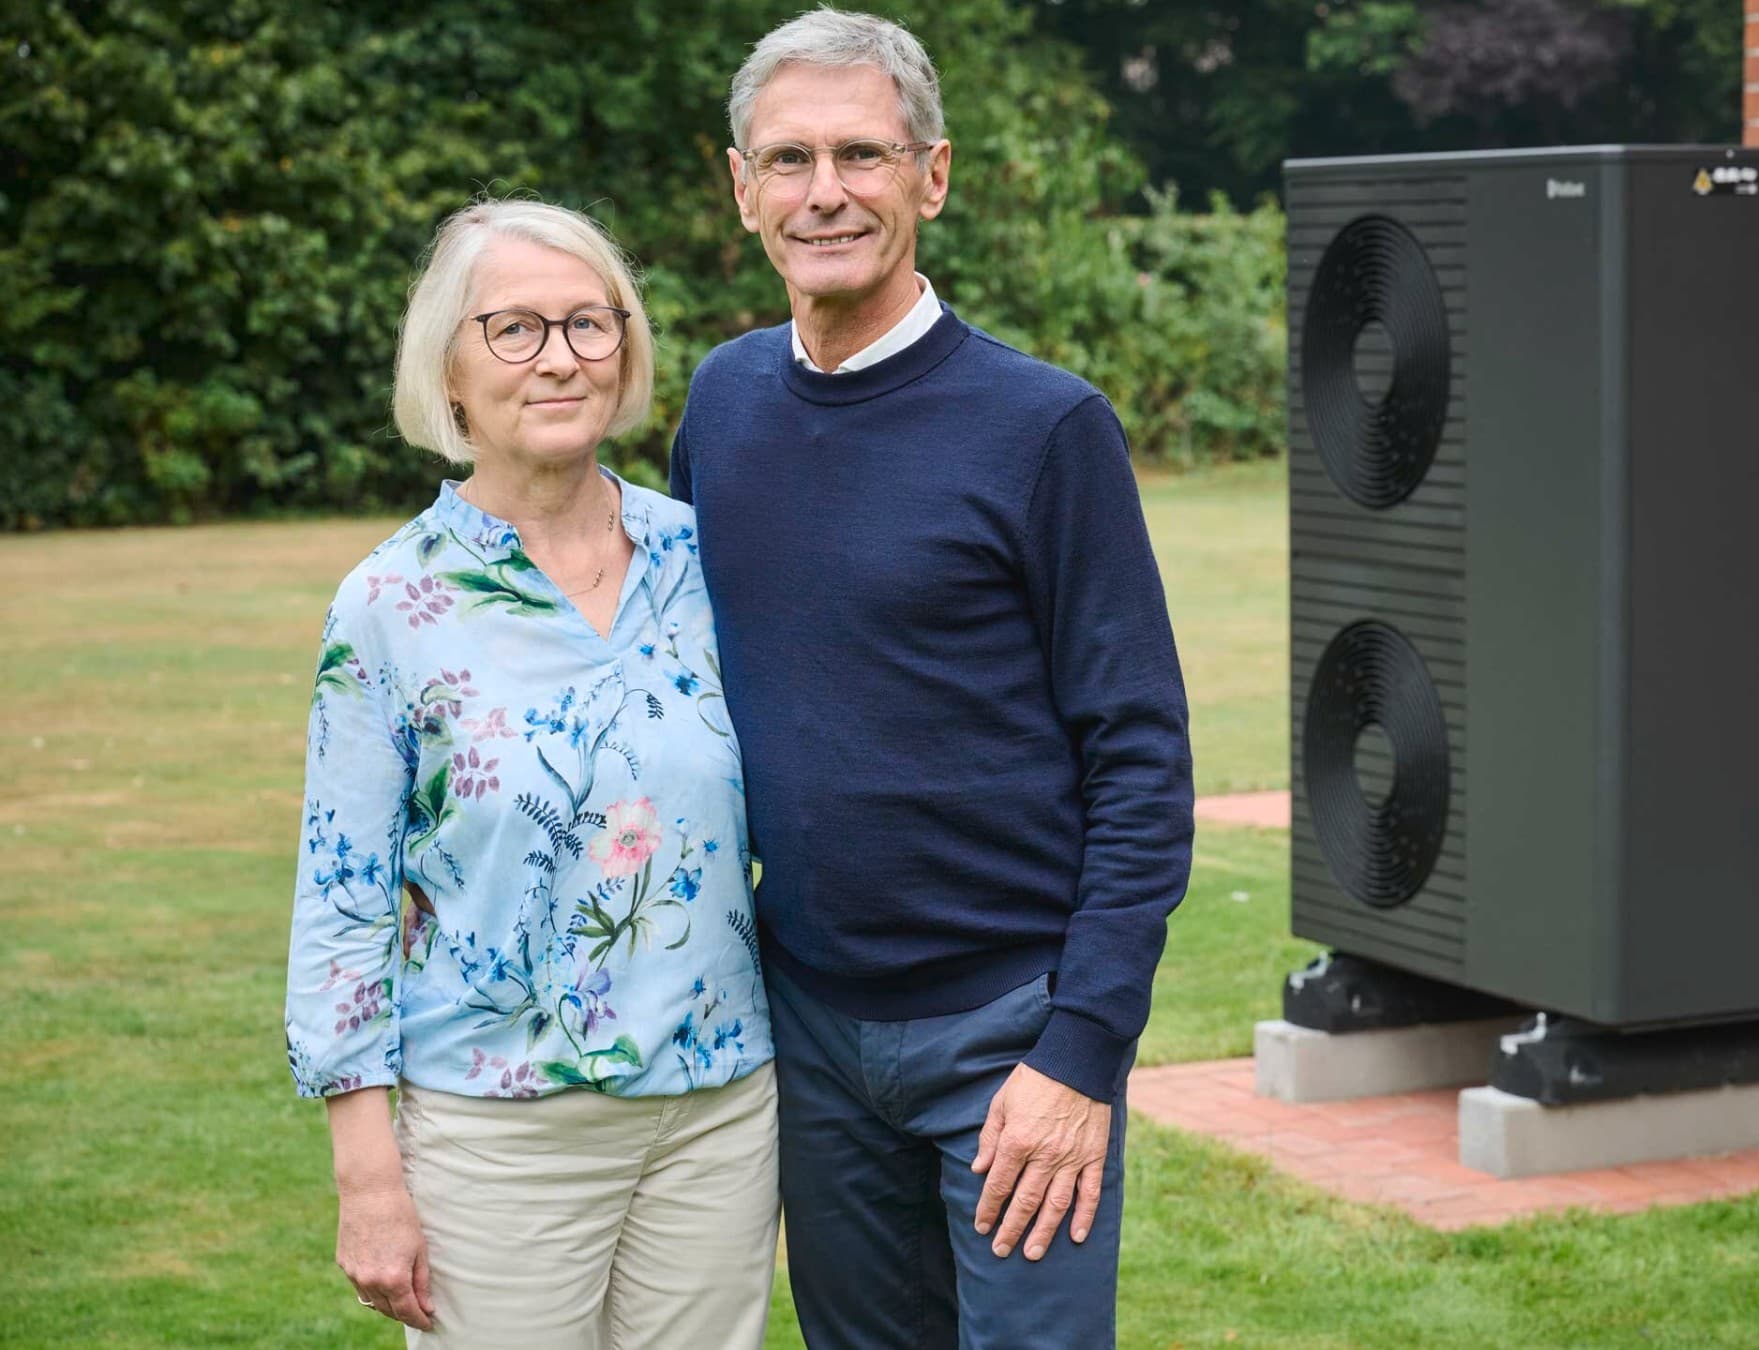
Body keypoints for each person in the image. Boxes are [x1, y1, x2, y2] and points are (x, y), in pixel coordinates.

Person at [669, 10, 1194, 1348]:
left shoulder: (1045, 429)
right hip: (809, 1027)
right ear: (741, 188)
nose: (825, 191)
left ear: (933, 175)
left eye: (862, 153)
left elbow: (1140, 759)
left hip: (1010, 1032)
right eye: (788, 159)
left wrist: (1082, 1050)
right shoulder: (721, 408)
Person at [285, 199, 776, 1350]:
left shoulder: (704, 556)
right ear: (448, 370)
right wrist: (367, 1176)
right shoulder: (390, 604)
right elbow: (343, 895)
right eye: (513, 329)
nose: (559, 358)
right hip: (498, 1127)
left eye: (588, 326)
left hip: (718, 1109)